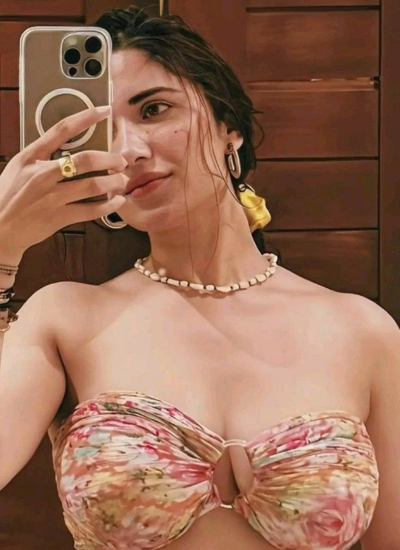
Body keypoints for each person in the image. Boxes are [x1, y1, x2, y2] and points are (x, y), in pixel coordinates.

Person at [0, 6, 399, 550]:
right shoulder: (65, 319)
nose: (128, 150)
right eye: (101, 133)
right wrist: (2, 246)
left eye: (154, 109)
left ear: (228, 125)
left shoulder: (364, 332)